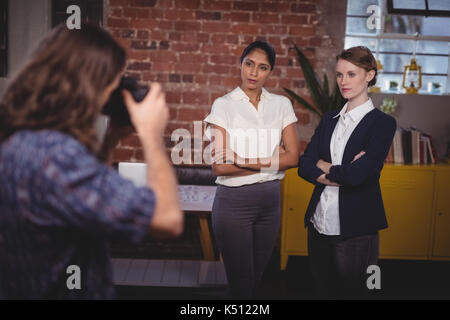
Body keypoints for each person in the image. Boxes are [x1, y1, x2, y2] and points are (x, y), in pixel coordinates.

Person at [0, 23, 183, 299]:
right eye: (112, 84)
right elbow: (167, 218)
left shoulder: (23, 141)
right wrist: (151, 134)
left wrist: (110, 139)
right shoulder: (54, 156)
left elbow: (84, 196)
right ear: (89, 85)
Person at [298, 46, 397, 299]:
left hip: (355, 229)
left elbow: (359, 175)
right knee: (322, 291)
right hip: (318, 224)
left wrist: (325, 166)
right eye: (340, 75)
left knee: (353, 293)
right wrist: (341, 170)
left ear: (369, 75)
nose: (343, 81)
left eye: (351, 74)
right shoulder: (329, 118)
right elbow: (304, 164)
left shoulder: (383, 123)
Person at [204, 41, 300, 299]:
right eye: (249, 64)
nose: (253, 73)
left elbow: (293, 158)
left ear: (270, 72)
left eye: (262, 67)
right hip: (234, 204)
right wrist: (271, 161)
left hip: (270, 203)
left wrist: (243, 159)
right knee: (242, 284)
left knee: (256, 280)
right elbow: (220, 166)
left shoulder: (281, 105)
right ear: (241, 64)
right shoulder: (223, 105)